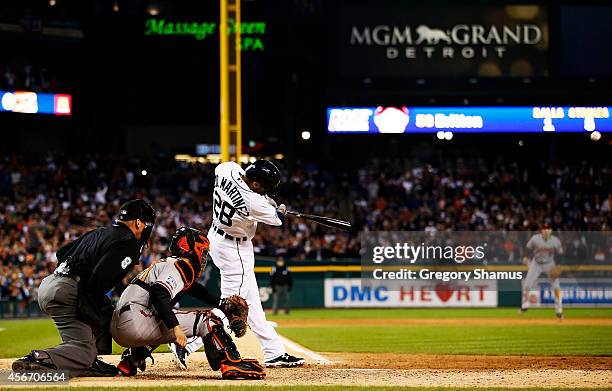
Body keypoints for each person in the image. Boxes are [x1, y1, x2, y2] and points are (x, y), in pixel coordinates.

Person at [169, 160, 304, 368]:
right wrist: (279, 209)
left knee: (253, 302)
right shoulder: (254, 202)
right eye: (265, 187)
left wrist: (268, 201)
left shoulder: (227, 169)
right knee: (233, 306)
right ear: (257, 184)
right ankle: (185, 343)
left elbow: (232, 178)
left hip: (216, 237)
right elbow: (277, 219)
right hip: (235, 250)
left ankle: (274, 352)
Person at [12, 199, 156, 377]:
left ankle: (92, 361)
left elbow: (62, 252)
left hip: (50, 283)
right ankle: (39, 359)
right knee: (84, 350)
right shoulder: (130, 242)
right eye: (148, 225)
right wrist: (90, 310)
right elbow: (98, 279)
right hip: (69, 289)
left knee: (106, 312)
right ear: (138, 223)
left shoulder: (99, 232)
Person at [111, 227, 265, 379]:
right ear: (190, 248)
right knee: (207, 319)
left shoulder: (169, 264)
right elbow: (159, 293)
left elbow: (193, 289)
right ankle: (230, 361)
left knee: (163, 316)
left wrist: (221, 303)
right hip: (136, 320)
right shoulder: (180, 266)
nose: (204, 258)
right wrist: (176, 327)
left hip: (122, 324)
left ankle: (131, 360)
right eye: (203, 252)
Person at [520, 223, 564, 319]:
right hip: (536, 263)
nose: (546, 230)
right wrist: (526, 257)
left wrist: (559, 265)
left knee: (556, 287)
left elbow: (560, 254)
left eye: (548, 229)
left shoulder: (555, 241)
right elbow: (528, 248)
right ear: (541, 231)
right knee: (527, 284)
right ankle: (524, 305)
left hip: (550, 264)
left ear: (551, 231)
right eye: (544, 229)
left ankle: (559, 310)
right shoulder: (535, 238)